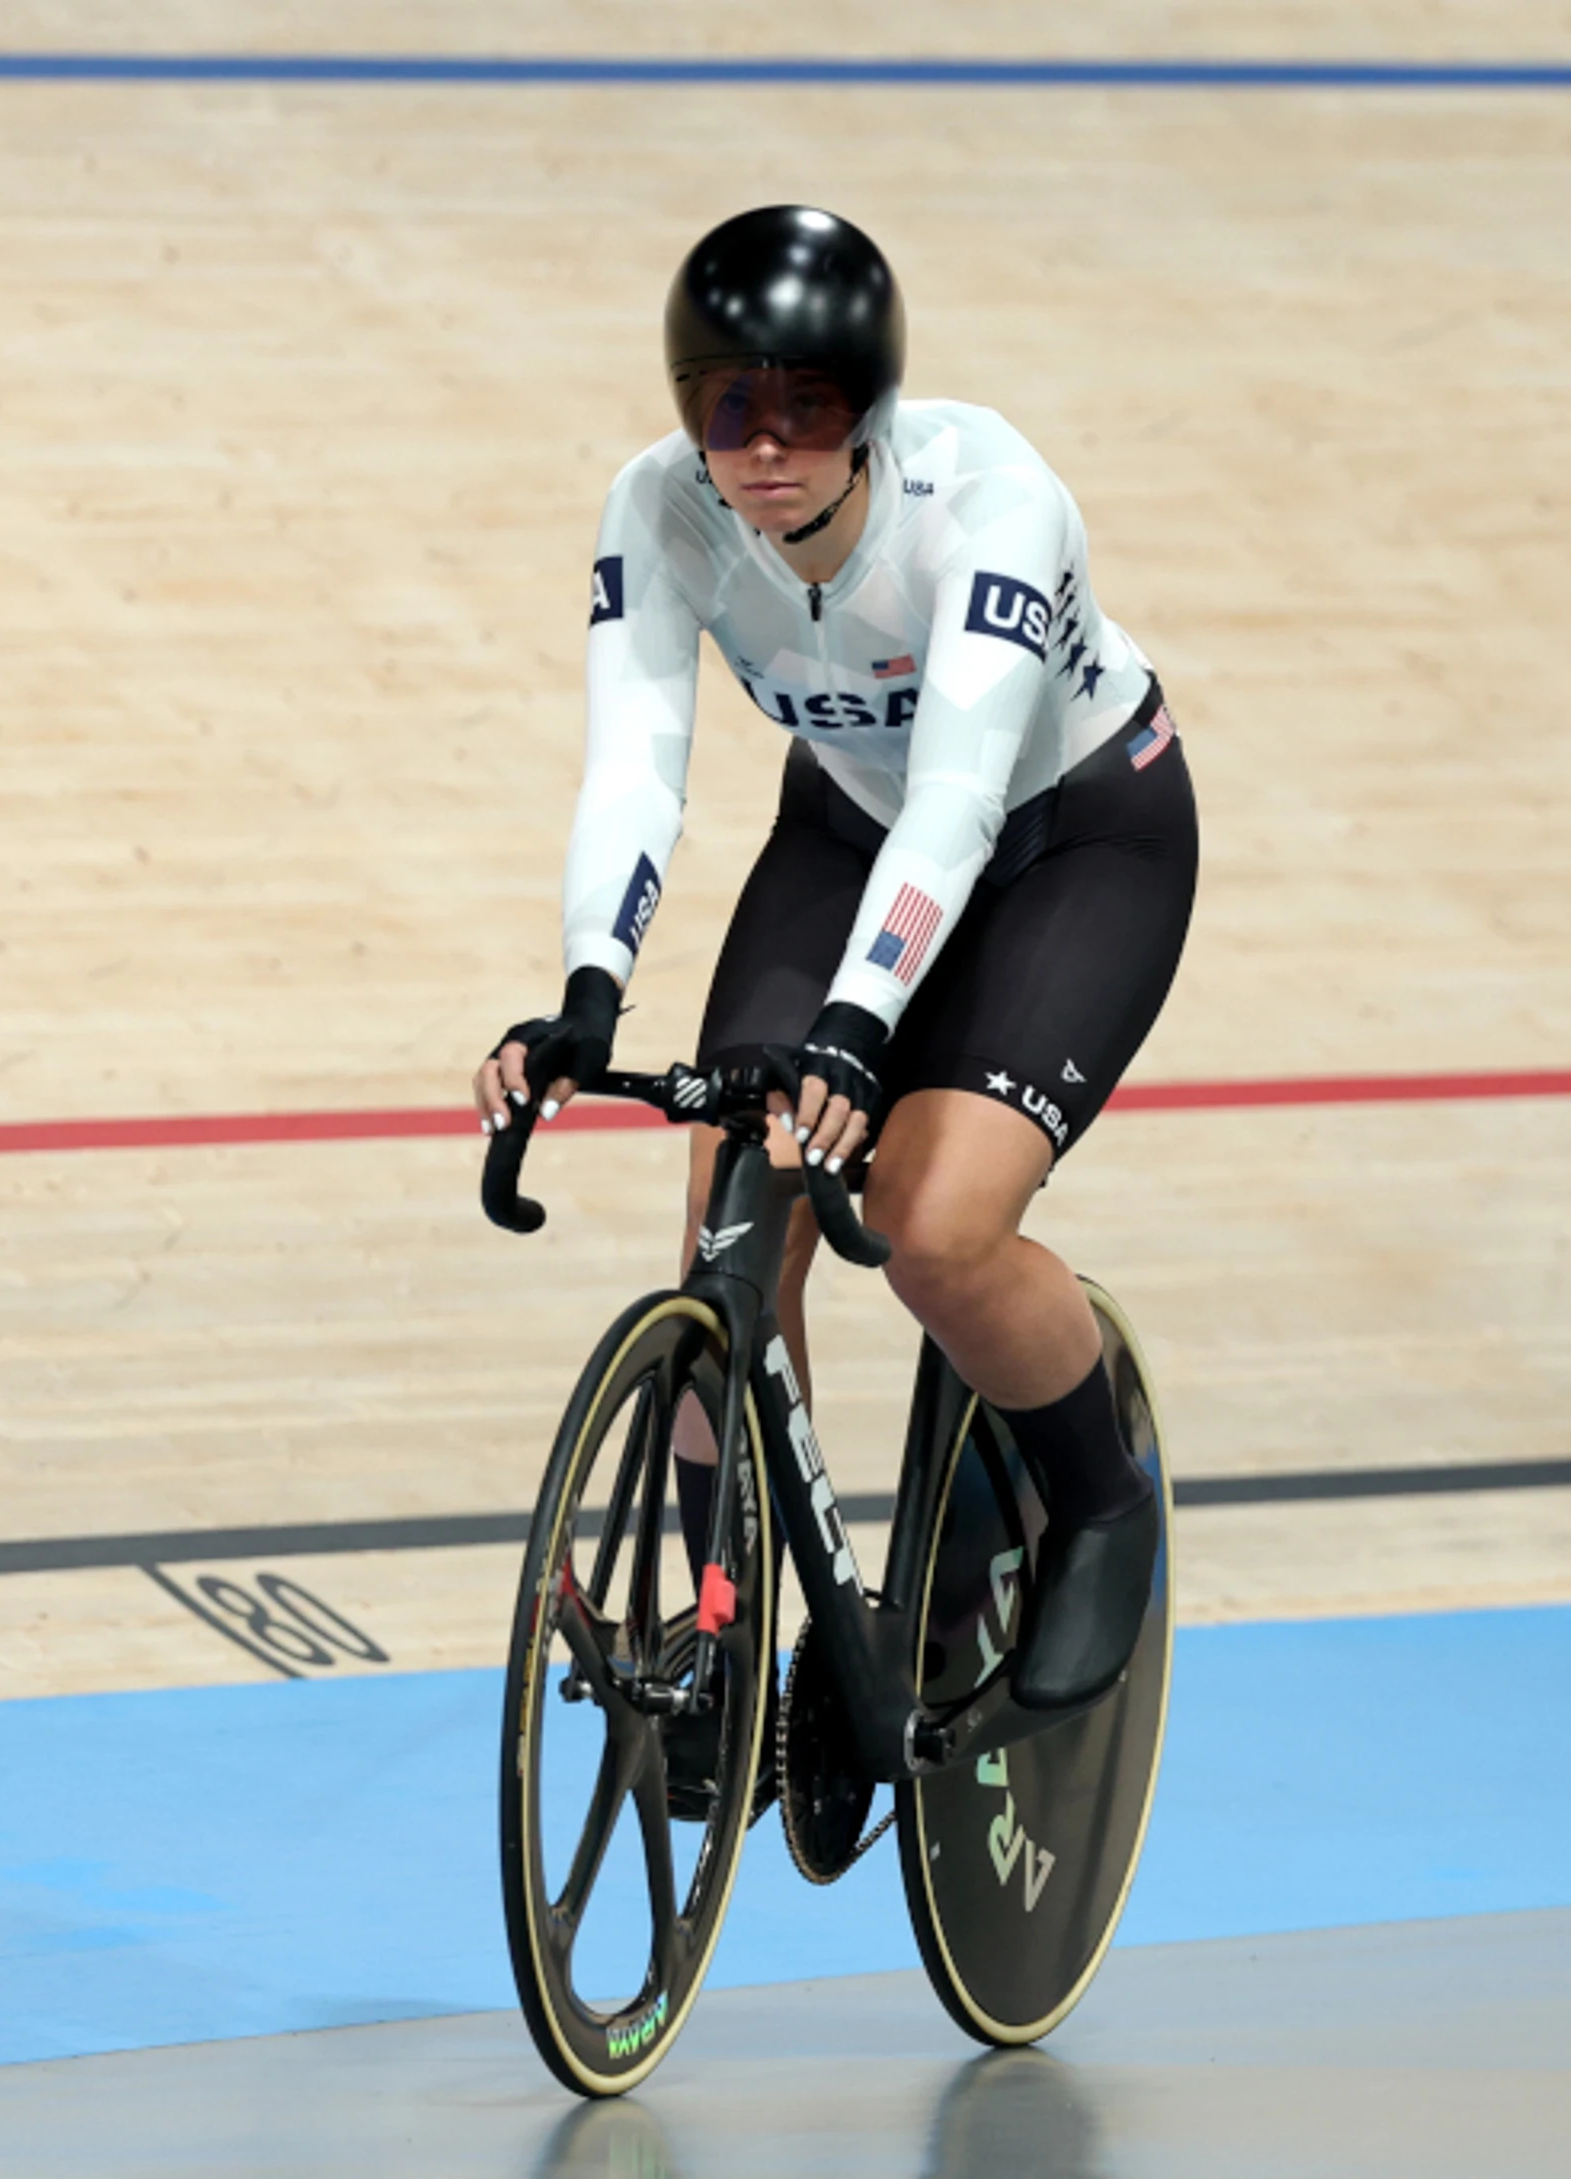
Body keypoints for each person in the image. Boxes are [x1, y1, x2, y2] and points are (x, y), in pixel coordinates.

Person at [470, 206, 1197, 1732]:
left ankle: (1102, 1503)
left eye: (808, 405)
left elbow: (962, 801)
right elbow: (634, 771)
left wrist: (860, 1026)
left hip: (1071, 835)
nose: (767, 446)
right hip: (853, 819)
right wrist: (590, 991)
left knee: (934, 1228)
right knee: (735, 1213)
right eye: (731, 404)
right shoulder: (660, 509)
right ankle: (725, 1632)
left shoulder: (992, 500)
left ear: (868, 408)